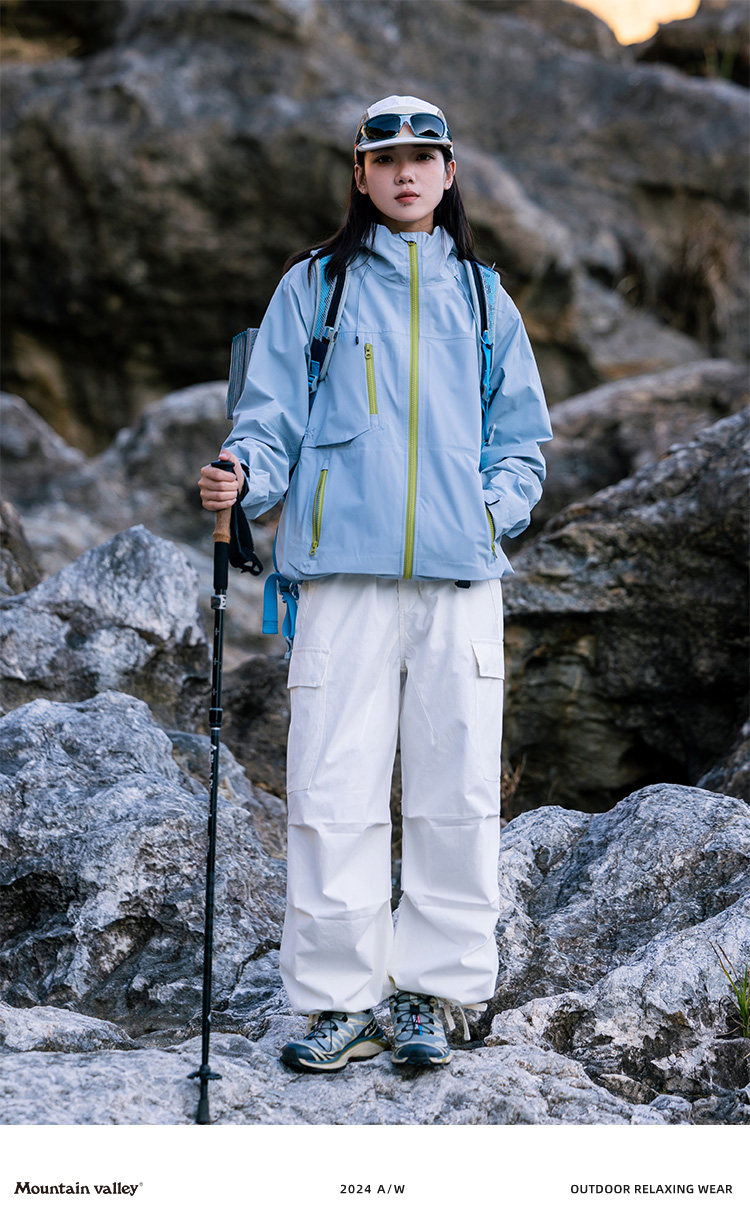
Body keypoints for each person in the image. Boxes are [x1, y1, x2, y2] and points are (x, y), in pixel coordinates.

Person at [198, 95, 552, 1072]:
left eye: (422, 157)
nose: (405, 173)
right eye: (385, 158)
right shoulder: (313, 287)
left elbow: (523, 440)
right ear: (360, 174)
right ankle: (339, 1001)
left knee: (457, 791)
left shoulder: (483, 295)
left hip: (460, 582)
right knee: (330, 788)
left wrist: (485, 512)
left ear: (449, 173)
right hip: (340, 578)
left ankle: (433, 995)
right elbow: (267, 420)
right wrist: (241, 476)